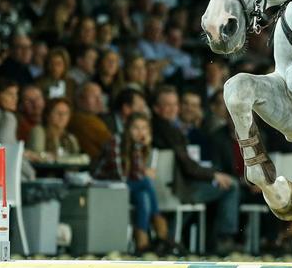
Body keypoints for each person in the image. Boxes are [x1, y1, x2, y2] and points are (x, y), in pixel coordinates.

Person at [151, 85, 240, 252]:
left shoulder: (165, 128)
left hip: (172, 185)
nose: (172, 109)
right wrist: (213, 175)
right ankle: (224, 238)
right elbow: (188, 166)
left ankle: (171, 238)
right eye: (167, 105)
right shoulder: (167, 131)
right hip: (178, 187)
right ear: (157, 108)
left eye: (174, 105)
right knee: (231, 185)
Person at [92, 113, 176, 255]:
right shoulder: (116, 142)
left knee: (143, 196)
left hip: (127, 187)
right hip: (107, 186)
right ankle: (161, 231)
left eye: (144, 128)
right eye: (136, 128)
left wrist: (144, 149)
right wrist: (144, 168)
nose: (140, 132)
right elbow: (120, 175)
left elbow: (136, 174)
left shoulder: (137, 145)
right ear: (127, 129)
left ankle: (142, 245)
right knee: (146, 183)